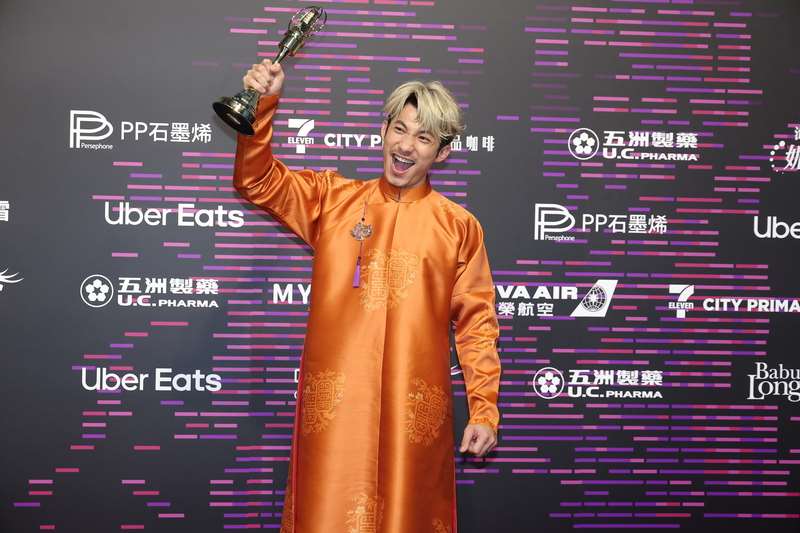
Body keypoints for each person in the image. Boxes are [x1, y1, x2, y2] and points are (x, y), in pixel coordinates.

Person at [233, 58, 501, 533]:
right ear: (383, 131)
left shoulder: (459, 227)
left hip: (413, 417)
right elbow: (258, 181)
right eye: (399, 129)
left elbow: (477, 324)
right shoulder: (331, 199)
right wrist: (264, 103)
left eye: (423, 138)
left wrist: (484, 408)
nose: (406, 146)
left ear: (442, 153)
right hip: (335, 414)